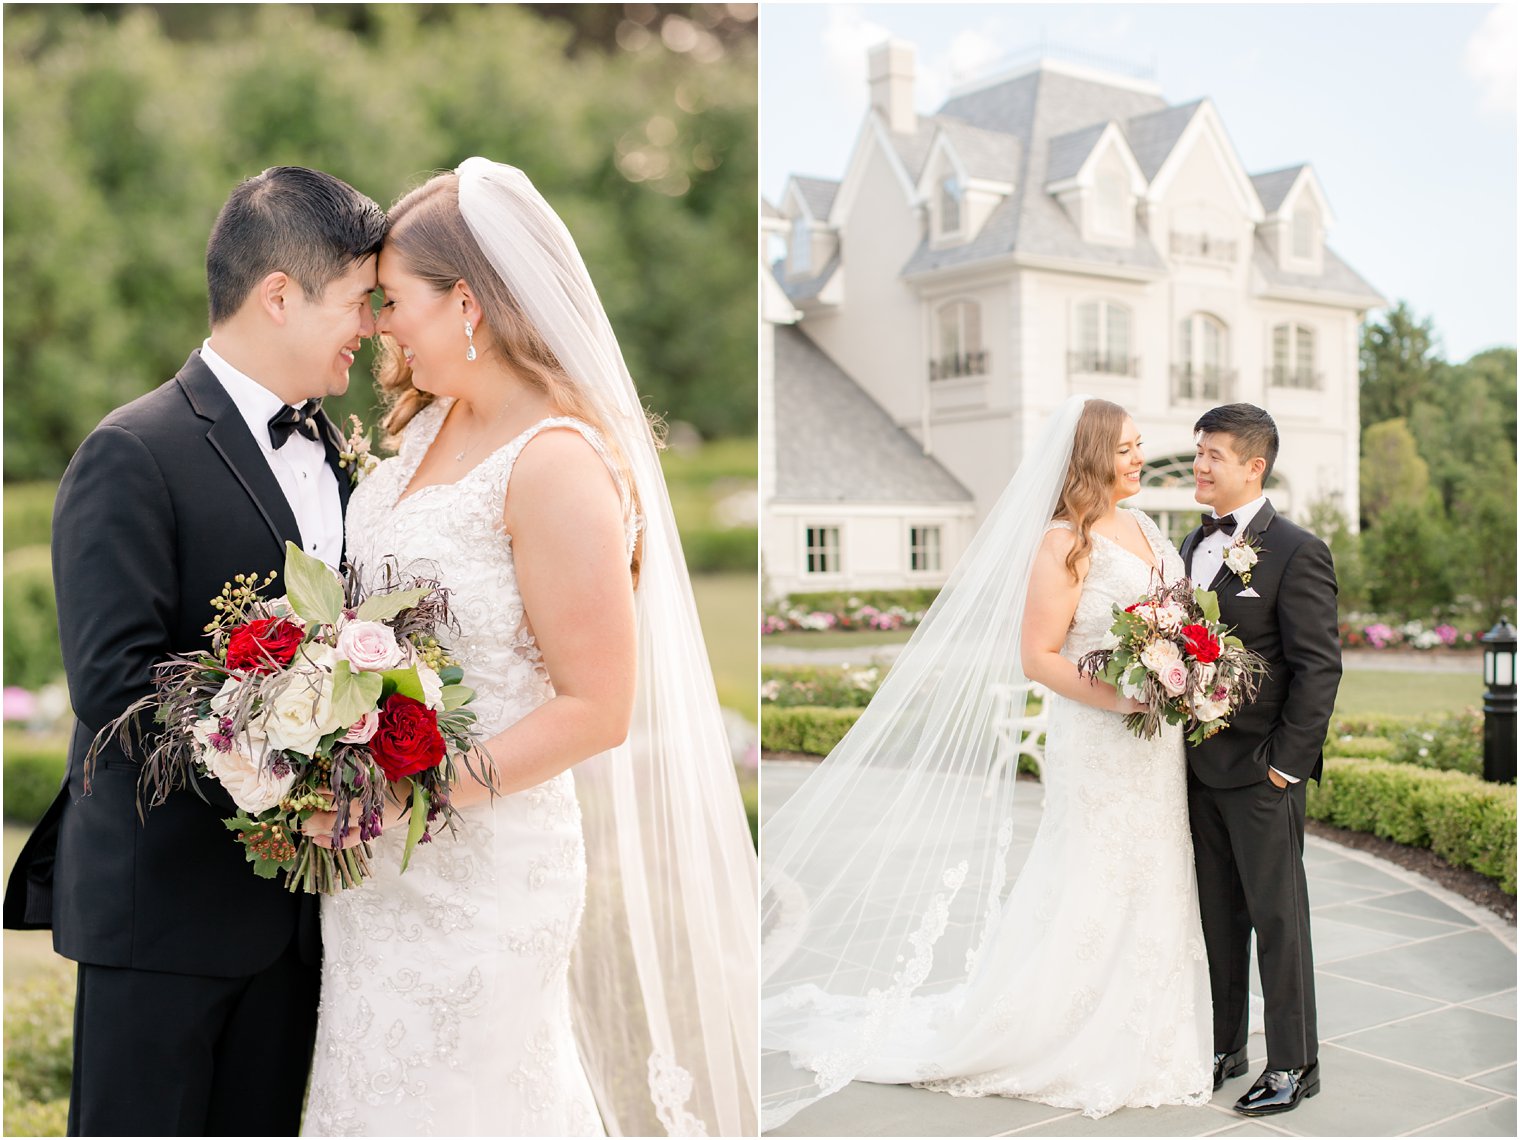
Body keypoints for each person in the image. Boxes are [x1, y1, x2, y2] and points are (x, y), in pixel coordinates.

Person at [299, 159, 758, 1137]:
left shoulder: (554, 461)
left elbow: (597, 707)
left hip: (487, 869)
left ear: (463, 301)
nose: (379, 323)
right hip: (381, 875)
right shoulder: (422, 432)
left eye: (393, 300)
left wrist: (411, 793)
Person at [2, 166, 385, 1135]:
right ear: (279, 296)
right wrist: (291, 794)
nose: (370, 326)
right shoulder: (132, 450)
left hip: (293, 928)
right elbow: (116, 685)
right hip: (163, 916)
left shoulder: (335, 452)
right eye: (357, 300)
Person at [760, 396, 1212, 1128]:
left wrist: (1184, 673)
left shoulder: (1147, 528)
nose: (1139, 459)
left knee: (1158, 865)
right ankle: (1063, 1027)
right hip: (1102, 738)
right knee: (1093, 869)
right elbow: (1037, 658)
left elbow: (1177, 625)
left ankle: (1151, 1020)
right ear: (1091, 456)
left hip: (1153, 746)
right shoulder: (1062, 543)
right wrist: (1125, 700)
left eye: (1138, 447)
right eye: (1126, 449)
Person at [1182, 403, 1339, 1117]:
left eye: (1212, 453)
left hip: (1263, 775)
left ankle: (1294, 1063)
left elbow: (1318, 668)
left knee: (1279, 919)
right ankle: (1225, 1045)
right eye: (1198, 452)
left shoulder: (1298, 551)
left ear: (1254, 465)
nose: (1199, 465)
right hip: (1198, 768)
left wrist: (1286, 768)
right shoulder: (1192, 544)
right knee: (1216, 916)